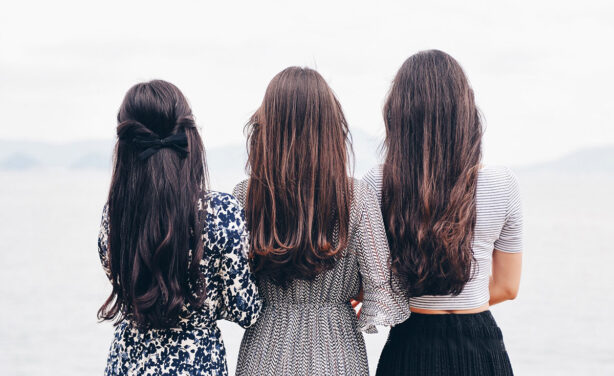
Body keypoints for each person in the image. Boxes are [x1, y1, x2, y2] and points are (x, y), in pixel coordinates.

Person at [232, 67, 409, 376]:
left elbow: (236, 291)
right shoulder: (357, 196)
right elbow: (381, 286)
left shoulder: (244, 196)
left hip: (264, 351)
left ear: (267, 126)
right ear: (330, 127)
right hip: (338, 351)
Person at [364, 50, 523, 376]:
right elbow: (508, 287)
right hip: (482, 347)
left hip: (410, 344)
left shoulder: (377, 183)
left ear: (398, 113)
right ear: (465, 112)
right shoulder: (503, 184)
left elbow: (374, 284)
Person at [97, 80, 261, 375]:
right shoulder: (221, 212)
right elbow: (245, 309)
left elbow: (125, 285)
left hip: (128, 361)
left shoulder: (114, 216)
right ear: (190, 139)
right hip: (197, 362)